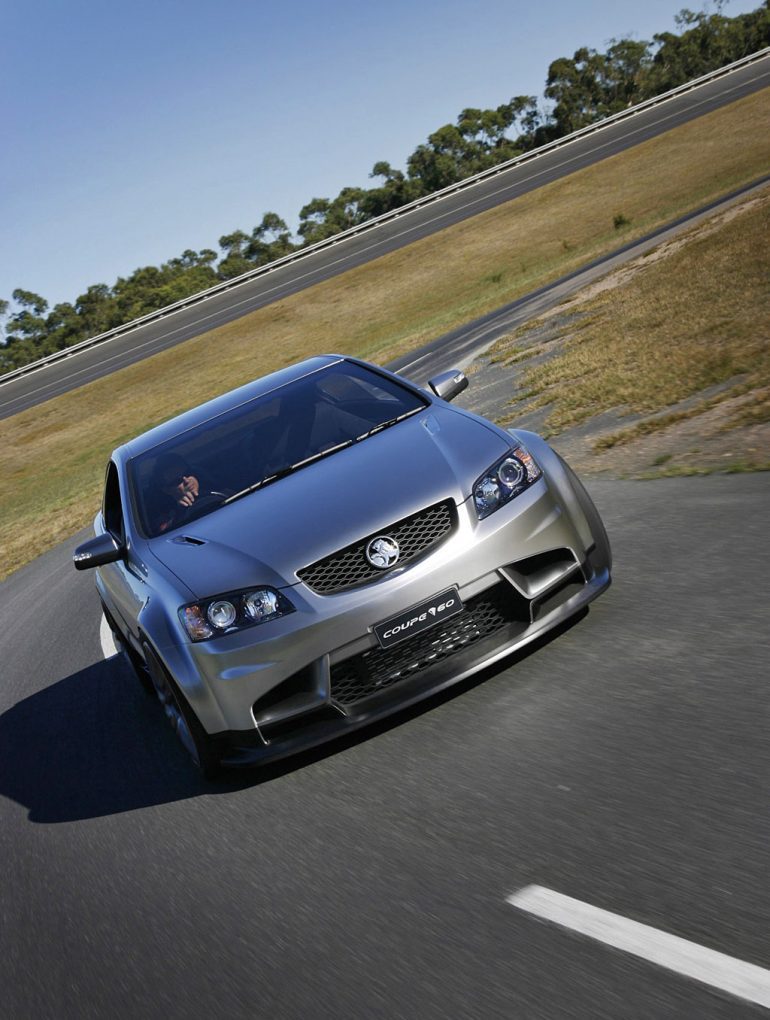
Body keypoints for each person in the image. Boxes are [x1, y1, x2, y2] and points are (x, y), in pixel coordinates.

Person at [148, 453, 225, 534]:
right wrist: (178, 513)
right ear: (167, 490)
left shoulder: (215, 482)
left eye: (188, 474)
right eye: (178, 481)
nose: (187, 480)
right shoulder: (165, 515)